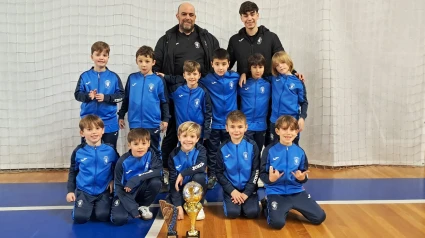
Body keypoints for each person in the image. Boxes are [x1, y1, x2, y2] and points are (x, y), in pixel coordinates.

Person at [153, 2, 220, 186]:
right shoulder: (166, 39)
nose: (188, 17)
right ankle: (165, 173)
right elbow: (156, 69)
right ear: (177, 16)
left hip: (197, 97)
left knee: (203, 145)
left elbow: (219, 63)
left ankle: (205, 175)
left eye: (191, 14)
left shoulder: (206, 38)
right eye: (184, 14)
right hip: (177, 99)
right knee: (170, 141)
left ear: (195, 17)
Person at [260, 115, 326, 229]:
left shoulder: (300, 152)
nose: (288, 133)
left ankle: (287, 207)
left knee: (319, 217)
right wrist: (270, 179)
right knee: (277, 224)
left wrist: (301, 179)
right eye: (284, 129)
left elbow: (304, 175)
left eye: (292, 129)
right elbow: (262, 173)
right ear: (277, 131)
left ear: (297, 132)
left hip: (296, 191)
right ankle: (267, 205)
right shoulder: (269, 150)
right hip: (276, 192)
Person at [117, 45, 170, 158]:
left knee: (154, 149)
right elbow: (126, 99)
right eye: (140, 61)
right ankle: (138, 173)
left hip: (152, 122)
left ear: (153, 62)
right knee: (136, 149)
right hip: (135, 122)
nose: (143, 64)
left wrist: (165, 119)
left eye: (147, 61)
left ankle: (157, 173)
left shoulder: (158, 80)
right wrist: (121, 115)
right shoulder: (132, 78)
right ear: (136, 61)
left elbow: (164, 101)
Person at [66, 115, 119, 224]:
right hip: (84, 190)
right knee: (80, 218)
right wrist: (70, 191)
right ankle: (83, 207)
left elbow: (118, 168)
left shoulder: (110, 150)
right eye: (89, 129)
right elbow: (73, 171)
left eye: (97, 128)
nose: (94, 132)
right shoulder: (78, 151)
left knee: (102, 216)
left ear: (103, 130)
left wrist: (113, 180)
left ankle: (99, 205)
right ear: (82, 133)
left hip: (103, 190)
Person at [199, 48, 240, 189]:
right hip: (215, 123)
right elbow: (190, 79)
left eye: (223, 64)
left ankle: (231, 174)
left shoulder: (235, 77)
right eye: (217, 64)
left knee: (231, 149)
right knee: (213, 150)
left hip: (231, 125)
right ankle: (212, 175)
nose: (220, 67)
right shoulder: (207, 80)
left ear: (229, 64)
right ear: (212, 64)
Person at [74, 41, 124, 149]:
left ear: (108, 57)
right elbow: (77, 95)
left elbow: (121, 96)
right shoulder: (84, 76)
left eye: (104, 55)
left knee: (110, 154)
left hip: (109, 124)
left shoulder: (113, 77)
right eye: (98, 54)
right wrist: (88, 96)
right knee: (88, 152)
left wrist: (106, 98)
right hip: (89, 124)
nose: (101, 58)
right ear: (92, 57)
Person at [110, 128, 163, 226]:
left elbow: (158, 171)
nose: (140, 147)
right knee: (118, 219)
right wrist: (132, 208)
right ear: (129, 145)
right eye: (136, 144)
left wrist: (136, 178)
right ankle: (131, 206)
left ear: (148, 143)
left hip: (141, 189)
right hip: (126, 193)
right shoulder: (122, 161)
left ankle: (144, 206)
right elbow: (118, 187)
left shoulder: (151, 154)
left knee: (156, 182)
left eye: (143, 143)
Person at [216, 110, 260, 219]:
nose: (236, 130)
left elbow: (256, 170)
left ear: (246, 127)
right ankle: (230, 199)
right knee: (232, 213)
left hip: (248, 188)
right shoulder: (222, 148)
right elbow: (219, 173)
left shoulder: (252, 145)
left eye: (240, 127)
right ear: (227, 128)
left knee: (252, 213)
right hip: (232, 189)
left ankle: (253, 201)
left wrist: (246, 193)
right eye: (232, 126)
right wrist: (232, 191)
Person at [158, 60, 212, 142]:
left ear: (199, 75)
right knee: (183, 153)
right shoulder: (177, 90)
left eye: (194, 74)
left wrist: (206, 132)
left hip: (197, 132)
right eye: (189, 74)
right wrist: (162, 78)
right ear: (184, 75)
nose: (192, 77)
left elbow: (208, 113)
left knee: (197, 153)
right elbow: (163, 95)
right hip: (182, 131)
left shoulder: (203, 92)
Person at [167, 121, 207, 221]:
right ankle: (183, 203)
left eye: (192, 136)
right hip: (181, 189)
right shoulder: (173, 155)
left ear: (197, 139)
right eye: (184, 136)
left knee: (199, 176)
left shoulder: (201, 150)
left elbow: (201, 166)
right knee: (168, 209)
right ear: (179, 137)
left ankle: (198, 204)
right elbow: (173, 181)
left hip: (196, 187)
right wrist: (177, 205)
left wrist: (182, 173)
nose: (188, 140)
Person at [269, 51, 308, 145]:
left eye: (283, 62)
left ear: (289, 62)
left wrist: (302, 118)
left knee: (292, 148)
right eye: (277, 65)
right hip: (275, 121)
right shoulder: (273, 78)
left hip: (292, 121)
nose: (281, 66)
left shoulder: (298, 82)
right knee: (274, 148)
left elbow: (304, 102)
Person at [237, 53, 270, 151]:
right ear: (249, 68)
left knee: (258, 151)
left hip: (261, 125)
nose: (258, 70)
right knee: (246, 152)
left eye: (260, 67)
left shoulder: (268, 85)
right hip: (246, 126)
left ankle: (257, 167)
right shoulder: (242, 83)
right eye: (254, 67)